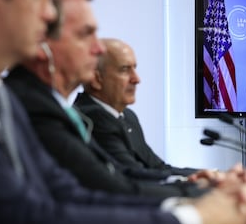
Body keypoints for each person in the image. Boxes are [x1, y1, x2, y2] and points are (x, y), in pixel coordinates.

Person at [0, 0, 246, 224]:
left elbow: (68, 193)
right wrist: (196, 219)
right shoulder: (11, 98)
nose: (47, 14)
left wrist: (195, 205)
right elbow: (22, 220)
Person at [74, 38, 200, 178]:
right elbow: (135, 176)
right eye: (124, 70)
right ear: (97, 79)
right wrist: (196, 184)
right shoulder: (93, 117)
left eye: (135, 68)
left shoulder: (127, 116)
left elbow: (158, 168)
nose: (136, 79)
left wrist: (209, 175)